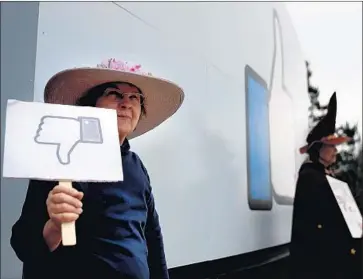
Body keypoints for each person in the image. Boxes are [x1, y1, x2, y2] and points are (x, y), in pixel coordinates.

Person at [10, 58, 185, 279]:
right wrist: (54, 226)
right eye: (115, 94)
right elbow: (23, 243)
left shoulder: (137, 167)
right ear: (91, 105)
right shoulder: (62, 158)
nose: (126, 103)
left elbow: (152, 236)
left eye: (135, 98)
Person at [290, 92, 361, 279]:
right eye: (331, 146)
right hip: (317, 264)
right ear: (318, 149)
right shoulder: (311, 178)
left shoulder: (323, 176)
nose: (336, 150)